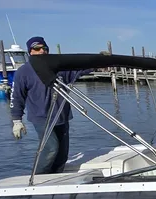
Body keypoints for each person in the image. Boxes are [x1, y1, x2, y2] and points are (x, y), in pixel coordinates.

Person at [10, 36, 93, 174]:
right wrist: (17, 120)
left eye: (45, 48)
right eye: (37, 48)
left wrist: (99, 62)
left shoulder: (59, 69)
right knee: (51, 148)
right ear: (30, 51)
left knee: (62, 153)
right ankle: (38, 177)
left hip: (61, 115)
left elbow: (79, 69)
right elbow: (17, 96)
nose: (42, 51)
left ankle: (56, 176)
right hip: (41, 118)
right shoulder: (23, 72)